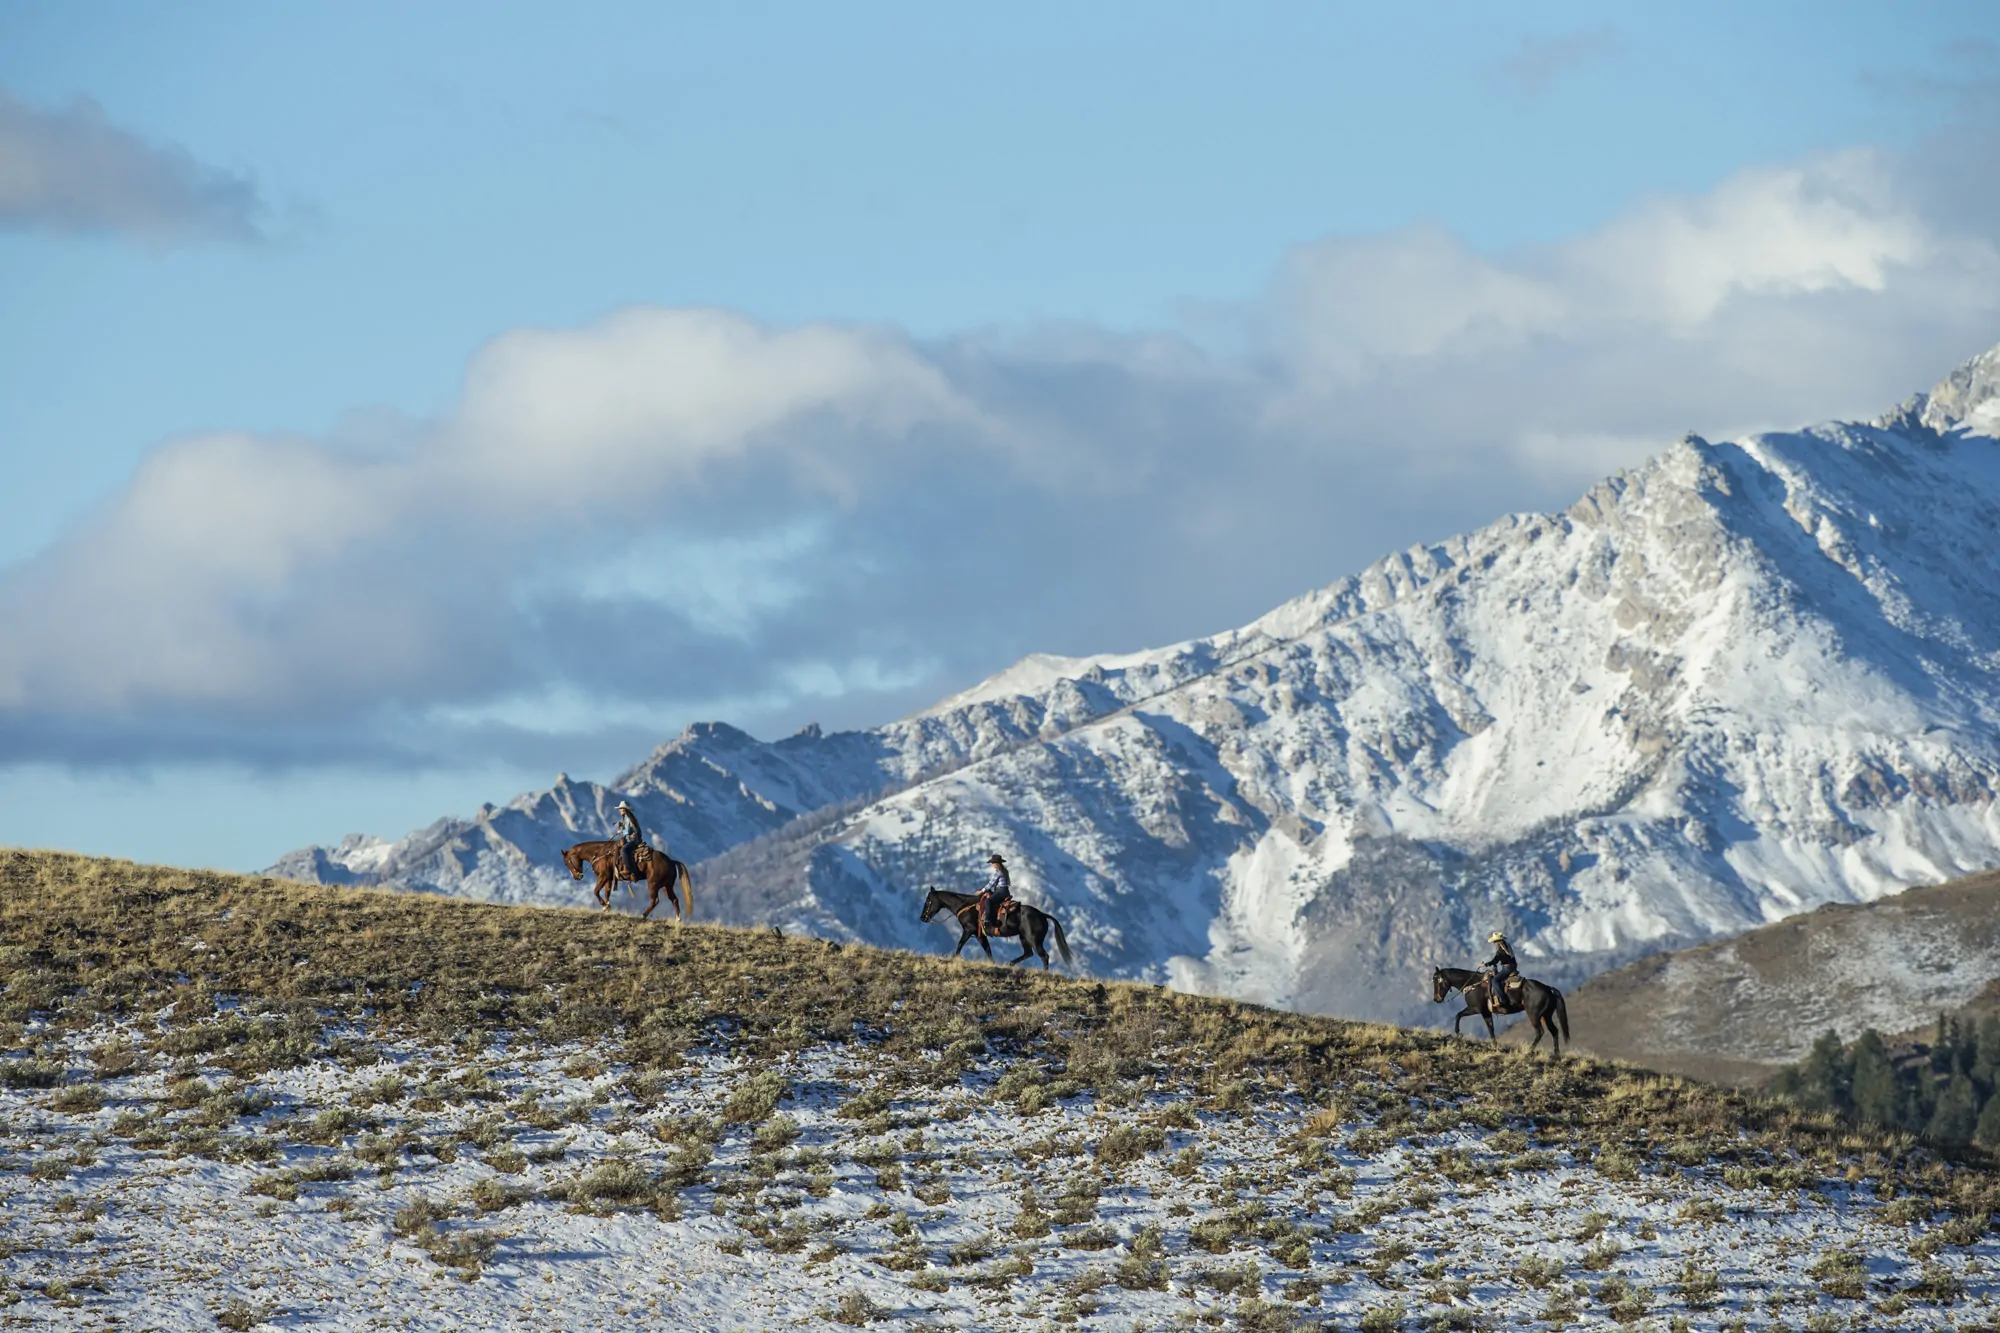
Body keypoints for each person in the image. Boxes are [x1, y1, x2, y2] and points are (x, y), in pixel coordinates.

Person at [979, 853, 1013, 937]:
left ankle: (987, 920)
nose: (992, 864)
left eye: (993, 863)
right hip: (1005, 891)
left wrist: (982, 891)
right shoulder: (1004, 871)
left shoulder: (998, 872)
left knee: (988, 901)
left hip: (1000, 891)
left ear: (996, 863)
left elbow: (991, 883)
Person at [1483, 931, 1519, 1009]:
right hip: (1512, 966)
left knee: (1495, 980)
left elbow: (1495, 960)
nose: (1494, 943)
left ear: (1498, 942)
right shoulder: (1507, 946)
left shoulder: (1501, 951)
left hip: (1507, 968)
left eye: (1495, 942)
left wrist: (1485, 964)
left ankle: (1503, 999)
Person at [613, 800, 645, 879]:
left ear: (624, 809)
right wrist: (621, 825)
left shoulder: (627, 818)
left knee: (624, 849)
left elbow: (627, 831)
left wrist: (620, 831)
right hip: (634, 839)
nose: (619, 810)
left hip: (634, 840)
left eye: (620, 809)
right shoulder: (628, 817)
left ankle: (630, 870)